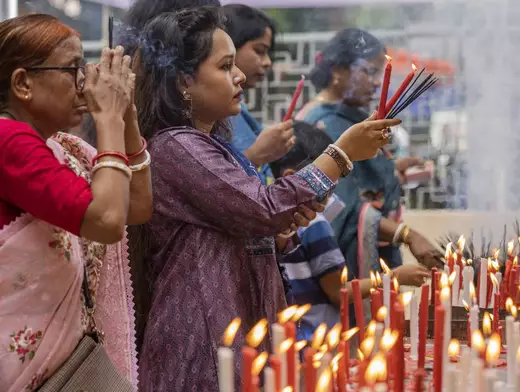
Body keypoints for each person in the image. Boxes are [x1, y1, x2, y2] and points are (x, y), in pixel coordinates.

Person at [130, 7, 401, 391]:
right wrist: (340, 153)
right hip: (201, 345)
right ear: (184, 82)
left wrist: (279, 233)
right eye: (225, 66)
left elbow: (253, 219)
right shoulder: (177, 147)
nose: (238, 75)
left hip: (236, 334)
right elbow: (263, 206)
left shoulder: (211, 147)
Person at [0, 14, 152, 391]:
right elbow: (106, 221)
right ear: (23, 83)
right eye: (72, 70)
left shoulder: (62, 148)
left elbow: (135, 207)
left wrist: (125, 114)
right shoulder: (7, 139)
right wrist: (109, 119)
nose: (85, 86)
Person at [296, 28, 440, 283]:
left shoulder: (346, 115)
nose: (376, 82)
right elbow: (341, 204)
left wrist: (393, 171)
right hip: (342, 265)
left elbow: (358, 177)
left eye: (378, 72)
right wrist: (407, 234)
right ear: (337, 71)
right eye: (369, 71)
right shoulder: (321, 124)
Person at [271, 122, 432, 341]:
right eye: (329, 177)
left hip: (290, 337)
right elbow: (339, 292)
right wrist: (394, 276)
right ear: (292, 176)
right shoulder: (314, 223)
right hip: (318, 339)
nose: (335, 187)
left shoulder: (271, 220)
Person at [222, 4, 295, 185]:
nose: (268, 62)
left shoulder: (237, 105)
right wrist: (257, 155)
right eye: (259, 51)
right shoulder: (207, 115)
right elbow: (209, 186)